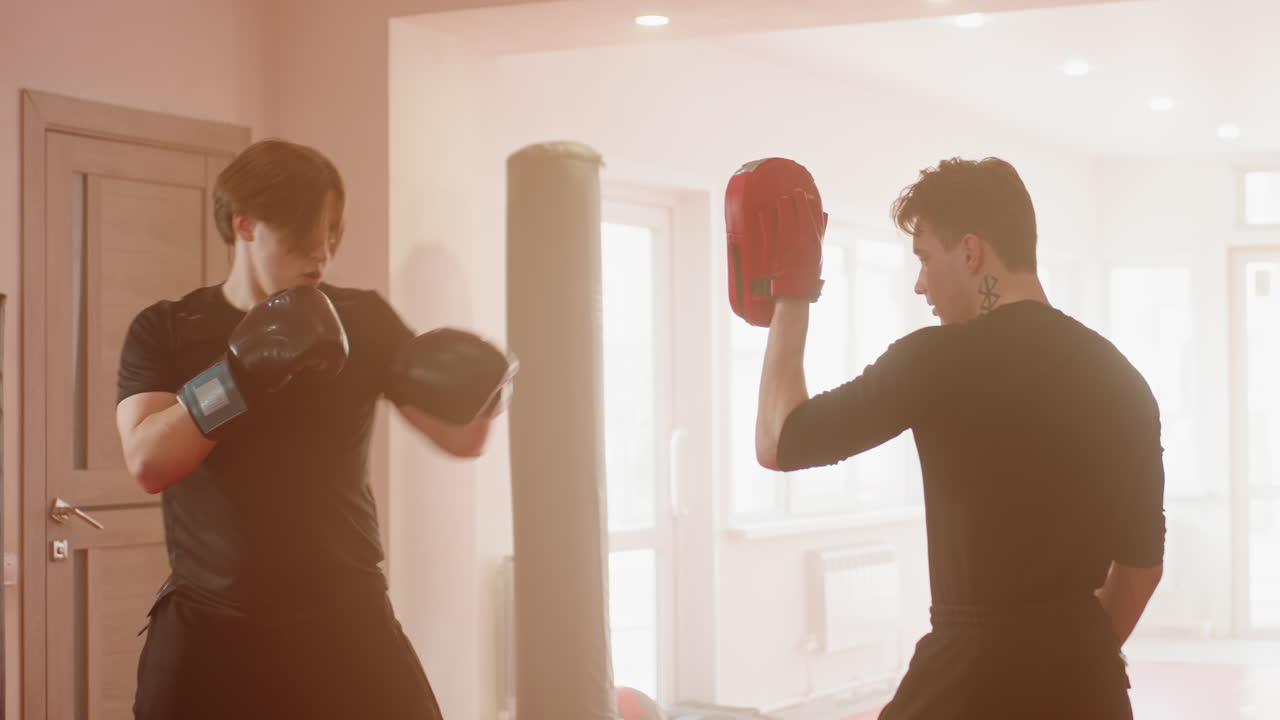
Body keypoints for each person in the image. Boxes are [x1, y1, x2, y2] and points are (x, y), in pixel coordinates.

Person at [745, 157, 1165, 719]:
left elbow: (778, 441)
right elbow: (1141, 568)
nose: (920, 285)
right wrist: (1065, 657)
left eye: (924, 258)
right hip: (1090, 683)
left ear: (970, 252)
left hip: (970, 677)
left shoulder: (934, 362)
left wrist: (792, 294)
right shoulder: (1125, 383)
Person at [115, 139, 515, 720]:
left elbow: (462, 440)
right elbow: (148, 462)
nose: (321, 254)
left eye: (330, 234)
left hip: (344, 613)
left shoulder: (364, 319)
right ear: (244, 225)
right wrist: (240, 373)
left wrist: (489, 391)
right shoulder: (170, 329)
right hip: (211, 623)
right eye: (303, 236)